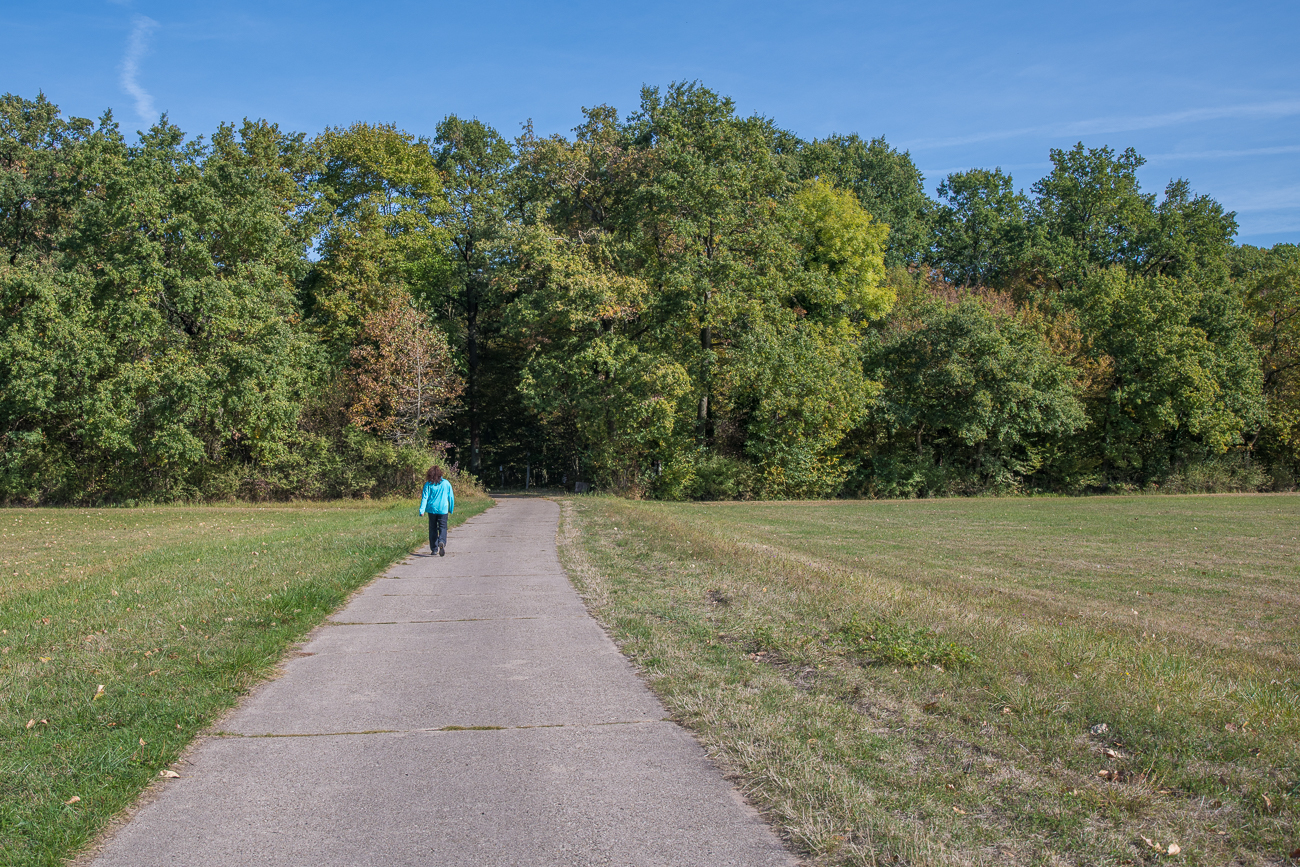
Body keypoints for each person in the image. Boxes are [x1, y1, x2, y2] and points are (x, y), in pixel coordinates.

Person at [418, 466, 455, 557]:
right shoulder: (446, 483)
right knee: (443, 527)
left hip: (432, 509)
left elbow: (425, 497)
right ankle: (441, 541)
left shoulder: (428, 484)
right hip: (443, 509)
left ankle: (434, 549)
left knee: (433, 528)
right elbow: (451, 497)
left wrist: (422, 510)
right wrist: (451, 508)